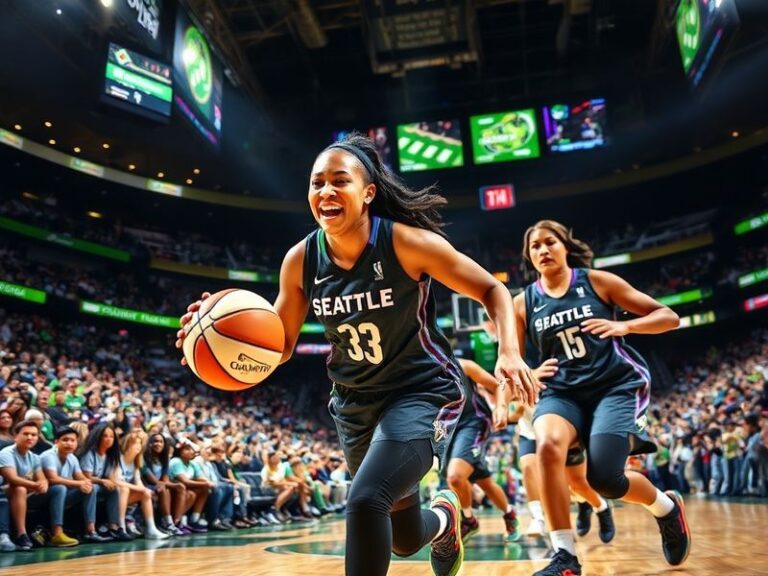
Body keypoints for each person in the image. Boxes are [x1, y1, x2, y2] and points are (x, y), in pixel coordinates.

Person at [176, 134, 536, 576]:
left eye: (339, 181)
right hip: (355, 405)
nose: (325, 191)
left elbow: (492, 289)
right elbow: (280, 345)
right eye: (316, 183)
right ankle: (447, 518)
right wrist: (211, 336)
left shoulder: (406, 242)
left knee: (366, 499)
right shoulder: (301, 260)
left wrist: (509, 352)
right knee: (404, 540)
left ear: (367, 193)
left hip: (421, 391)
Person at [513, 220, 691, 576]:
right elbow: (514, 361)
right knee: (547, 446)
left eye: (550, 242)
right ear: (529, 257)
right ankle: (565, 557)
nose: (543, 250)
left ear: (566, 246)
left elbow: (668, 317)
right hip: (561, 393)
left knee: (606, 480)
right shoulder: (523, 303)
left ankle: (666, 509)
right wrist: (528, 374)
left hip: (613, 387)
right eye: (535, 246)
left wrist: (625, 326)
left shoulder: (597, 282)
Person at [444, 358, 516, 542]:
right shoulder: (420, 373)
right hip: (446, 430)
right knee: (484, 482)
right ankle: (510, 514)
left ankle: (469, 520)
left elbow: (498, 386)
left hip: (473, 423)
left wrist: (502, 407)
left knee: (455, 476)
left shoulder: (463, 365)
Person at [40, 426, 110, 545]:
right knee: (60, 488)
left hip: (63, 495)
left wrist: (87, 483)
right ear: (56, 442)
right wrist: (79, 483)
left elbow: (81, 477)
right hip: (44, 495)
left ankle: (91, 531)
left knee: (91, 488)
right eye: (65, 440)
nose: (69, 443)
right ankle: (57, 534)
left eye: (73, 440)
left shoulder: (72, 457)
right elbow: (53, 479)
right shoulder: (48, 455)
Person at [0, 420, 47, 550]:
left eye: (34, 435)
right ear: (16, 435)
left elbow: (42, 479)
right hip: (5, 493)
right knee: (20, 488)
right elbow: (12, 479)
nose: (30, 437)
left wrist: (43, 485)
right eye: (26, 434)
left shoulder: (35, 457)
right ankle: (22, 534)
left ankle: (57, 532)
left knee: (58, 489)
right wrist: (35, 485)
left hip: (27, 493)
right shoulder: (6, 453)